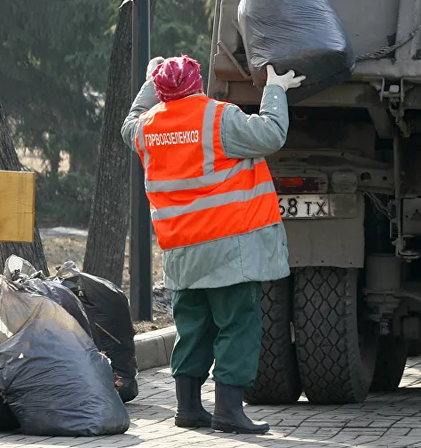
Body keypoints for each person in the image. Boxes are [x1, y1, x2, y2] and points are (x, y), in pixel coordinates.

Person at [122, 55, 304, 435]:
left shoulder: (147, 129)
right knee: (237, 324)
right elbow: (271, 134)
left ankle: (188, 408)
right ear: (197, 83)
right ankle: (228, 411)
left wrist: (148, 80)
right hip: (228, 247)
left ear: (160, 91)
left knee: (193, 328)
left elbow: (128, 123)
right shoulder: (218, 118)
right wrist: (275, 89)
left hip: (181, 249)